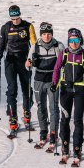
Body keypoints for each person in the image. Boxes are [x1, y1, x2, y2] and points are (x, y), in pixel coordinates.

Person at [51, 28, 84, 166]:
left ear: (80, 40)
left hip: (80, 91)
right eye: (71, 40)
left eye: (76, 40)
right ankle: (65, 148)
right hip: (66, 90)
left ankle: (77, 149)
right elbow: (57, 69)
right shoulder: (64, 54)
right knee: (64, 119)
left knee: (77, 120)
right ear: (68, 41)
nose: (74, 43)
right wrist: (54, 83)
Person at [0, 5, 36, 134]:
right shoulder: (5, 27)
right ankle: (13, 118)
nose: (14, 20)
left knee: (26, 88)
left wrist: (32, 58)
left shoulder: (28, 26)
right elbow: (2, 44)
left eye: (16, 17)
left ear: (19, 15)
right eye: (12, 18)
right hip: (10, 61)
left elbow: (34, 44)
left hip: (24, 60)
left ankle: (27, 113)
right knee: (12, 88)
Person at [25, 22, 64, 151]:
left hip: (53, 80)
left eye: (48, 34)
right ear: (40, 35)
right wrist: (29, 63)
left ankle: (53, 135)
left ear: (52, 34)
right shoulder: (35, 46)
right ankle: (43, 133)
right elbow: (28, 63)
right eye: (44, 34)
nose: (46, 36)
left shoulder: (58, 46)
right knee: (41, 107)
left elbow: (63, 65)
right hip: (39, 81)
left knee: (53, 108)